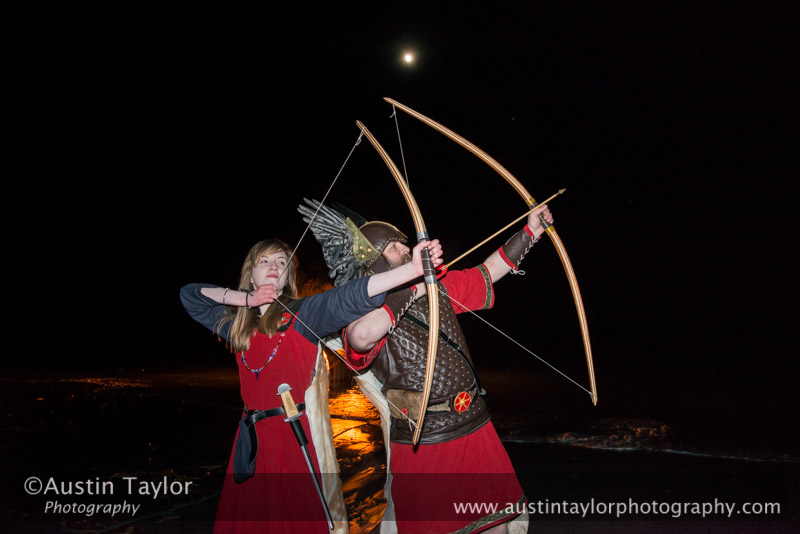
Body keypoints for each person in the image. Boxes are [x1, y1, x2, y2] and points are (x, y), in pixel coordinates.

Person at [298, 198, 552, 534]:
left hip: (472, 423)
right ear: (371, 264)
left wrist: (531, 230)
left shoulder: (440, 289)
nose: (406, 248)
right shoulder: (363, 312)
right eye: (393, 247)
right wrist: (413, 286)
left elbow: (487, 273)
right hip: (424, 441)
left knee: (496, 527)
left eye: (404, 243)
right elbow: (360, 338)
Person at [180, 236, 442, 534]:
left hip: (291, 441)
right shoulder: (238, 327)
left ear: (288, 276)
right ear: (250, 273)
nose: (274, 266)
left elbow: (348, 297)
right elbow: (190, 295)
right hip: (251, 444)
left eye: (282, 263)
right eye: (264, 261)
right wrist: (247, 300)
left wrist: (410, 271)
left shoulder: (304, 314)